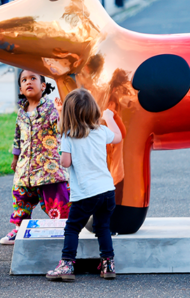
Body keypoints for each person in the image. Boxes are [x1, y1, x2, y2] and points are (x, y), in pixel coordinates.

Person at [45, 88, 122, 282]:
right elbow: (118, 137)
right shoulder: (101, 131)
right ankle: (108, 264)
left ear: (68, 115)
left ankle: (67, 264)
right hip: (107, 191)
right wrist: (108, 118)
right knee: (103, 227)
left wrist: (59, 151)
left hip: (86, 193)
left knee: (72, 228)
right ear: (93, 110)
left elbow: (66, 162)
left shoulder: (69, 136)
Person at [0, 69, 70, 245]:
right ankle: (19, 228)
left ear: (43, 86)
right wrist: (15, 159)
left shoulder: (52, 107)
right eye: (24, 80)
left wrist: (61, 112)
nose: (28, 82)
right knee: (21, 197)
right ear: (21, 89)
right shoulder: (21, 111)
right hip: (25, 167)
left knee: (56, 199)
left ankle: (65, 227)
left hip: (49, 168)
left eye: (33, 78)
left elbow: (61, 129)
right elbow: (18, 137)